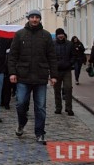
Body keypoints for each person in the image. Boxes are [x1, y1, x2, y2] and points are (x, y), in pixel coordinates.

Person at [8, 9, 57, 145]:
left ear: (40, 19)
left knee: (40, 107)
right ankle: (21, 122)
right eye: (32, 17)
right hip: (23, 76)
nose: (34, 19)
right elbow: (12, 56)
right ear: (28, 18)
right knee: (20, 103)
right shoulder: (20, 35)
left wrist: (53, 75)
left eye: (37, 17)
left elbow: (52, 57)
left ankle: (40, 133)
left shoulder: (46, 36)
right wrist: (12, 73)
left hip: (40, 77)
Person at [53, 28, 75, 116]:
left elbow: (74, 55)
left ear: (64, 34)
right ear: (56, 35)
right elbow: (50, 56)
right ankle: (58, 108)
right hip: (56, 70)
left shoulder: (70, 44)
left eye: (61, 34)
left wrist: (70, 63)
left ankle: (69, 108)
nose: (60, 36)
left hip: (66, 70)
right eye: (58, 34)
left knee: (68, 88)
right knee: (56, 90)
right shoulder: (53, 44)